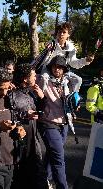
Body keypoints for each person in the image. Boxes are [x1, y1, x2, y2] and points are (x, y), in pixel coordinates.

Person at [37, 55, 73, 189]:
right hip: (48, 123)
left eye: (60, 67)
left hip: (64, 124)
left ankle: (44, 179)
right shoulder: (44, 80)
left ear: (64, 69)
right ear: (50, 68)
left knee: (52, 154)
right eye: (54, 66)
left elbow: (77, 80)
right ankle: (62, 186)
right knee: (59, 158)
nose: (57, 69)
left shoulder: (67, 82)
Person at [9, 63, 48, 189]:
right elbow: (7, 115)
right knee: (21, 175)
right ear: (25, 78)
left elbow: (39, 112)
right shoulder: (12, 95)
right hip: (19, 143)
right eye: (33, 75)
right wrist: (24, 114)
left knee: (36, 171)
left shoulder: (30, 94)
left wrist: (42, 98)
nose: (36, 77)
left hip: (33, 140)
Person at [35, 22, 95, 92]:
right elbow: (43, 58)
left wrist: (86, 60)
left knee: (78, 80)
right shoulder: (51, 44)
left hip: (62, 70)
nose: (61, 34)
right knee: (44, 78)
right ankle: (41, 99)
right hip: (48, 69)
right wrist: (48, 48)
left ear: (68, 34)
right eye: (59, 32)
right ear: (57, 33)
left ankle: (71, 99)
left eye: (64, 32)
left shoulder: (71, 48)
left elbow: (73, 63)